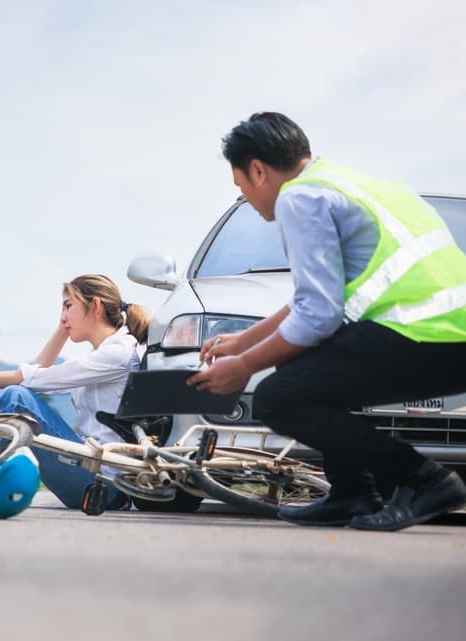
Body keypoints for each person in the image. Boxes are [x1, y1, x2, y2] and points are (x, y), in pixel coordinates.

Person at [187, 111, 466, 531]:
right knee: (298, 362)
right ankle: (352, 493)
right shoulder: (357, 187)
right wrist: (244, 341)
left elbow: (317, 317)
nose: (244, 193)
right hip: (448, 336)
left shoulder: (300, 199)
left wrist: (244, 367)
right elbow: (317, 300)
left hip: (426, 334)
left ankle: (425, 480)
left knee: (277, 397)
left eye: (240, 182)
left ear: (258, 170)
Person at [0, 274, 150, 510]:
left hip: (105, 485)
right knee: (9, 397)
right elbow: (37, 373)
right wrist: (63, 329)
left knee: (15, 397)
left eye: (68, 306)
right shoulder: (102, 354)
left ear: (95, 306)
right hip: (91, 472)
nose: (63, 316)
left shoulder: (118, 352)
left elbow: (31, 380)